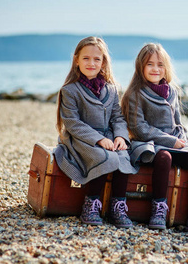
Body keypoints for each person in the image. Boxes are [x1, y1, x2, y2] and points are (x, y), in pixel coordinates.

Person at [121, 43, 188, 234]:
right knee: (164, 158)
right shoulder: (135, 93)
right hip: (148, 143)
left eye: (160, 64)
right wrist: (170, 141)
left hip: (174, 141)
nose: (156, 69)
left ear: (166, 67)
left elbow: (178, 123)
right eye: (150, 64)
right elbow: (139, 128)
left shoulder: (172, 91)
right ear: (140, 67)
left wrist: (184, 141)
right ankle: (158, 210)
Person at [54, 36, 138, 228]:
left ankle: (118, 206)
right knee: (103, 157)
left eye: (96, 59)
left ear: (104, 62)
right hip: (82, 139)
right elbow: (72, 123)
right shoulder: (70, 90)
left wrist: (120, 136)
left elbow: (117, 117)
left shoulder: (111, 88)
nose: (91, 63)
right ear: (76, 60)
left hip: (109, 136)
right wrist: (99, 139)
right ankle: (91, 204)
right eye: (86, 58)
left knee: (123, 157)